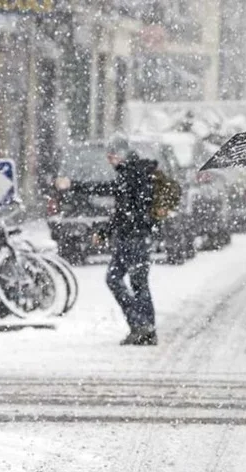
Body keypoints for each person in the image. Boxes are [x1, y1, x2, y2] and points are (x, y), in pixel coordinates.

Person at [55, 135, 159, 346]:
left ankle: (142, 325)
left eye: (112, 156)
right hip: (133, 236)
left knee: (120, 280)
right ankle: (145, 328)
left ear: (122, 154)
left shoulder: (131, 175)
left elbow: (122, 209)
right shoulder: (132, 173)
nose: (109, 160)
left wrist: (74, 186)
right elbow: (118, 203)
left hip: (132, 237)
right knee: (136, 283)